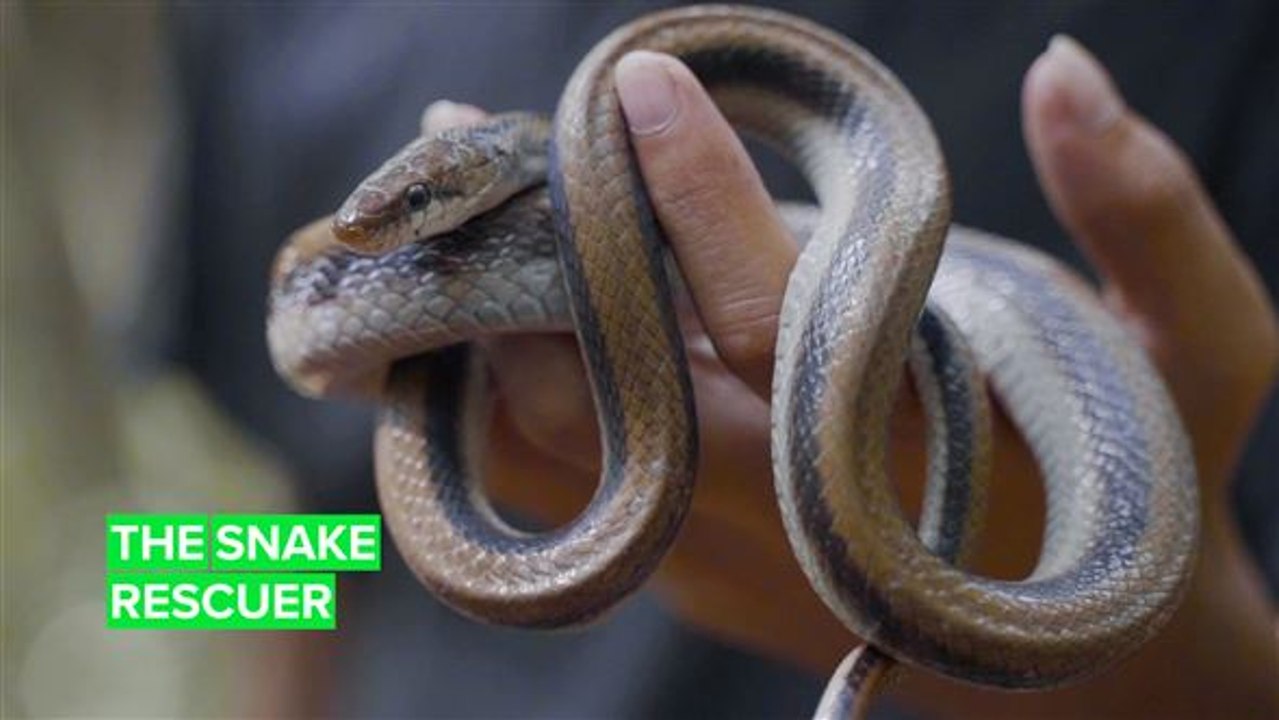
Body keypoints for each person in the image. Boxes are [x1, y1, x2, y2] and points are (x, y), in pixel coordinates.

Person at [171, 3, 1278, 717]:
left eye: (415, 205)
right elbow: (298, 532)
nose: (382, 225)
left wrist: (1178, 680)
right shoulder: (268, 24)